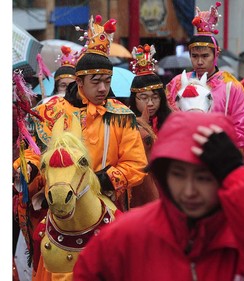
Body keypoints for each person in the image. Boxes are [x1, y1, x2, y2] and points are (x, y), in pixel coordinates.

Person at [73, 111, 244, 281]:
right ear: (163, 175)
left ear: (223, 176)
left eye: (204, 177)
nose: (189, 190)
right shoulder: (127, 235)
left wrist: (239, 176)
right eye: (178, 175)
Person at [13, 15, 148, 213]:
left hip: (104, 201)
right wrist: (27, 168)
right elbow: (35, 153)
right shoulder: (50, 111)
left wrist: (101, 179)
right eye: (96, 81)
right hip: (57, 199)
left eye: (107, 81)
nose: (103, 88)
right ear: (79, 81)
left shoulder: (122, 115)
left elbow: (136, 163)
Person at [166, 2, 244, 166]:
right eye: (194, 56)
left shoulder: (231, 86)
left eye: (205, 56)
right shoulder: (176, 84)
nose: (199, 62)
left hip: (220, 158)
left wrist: (217, 144)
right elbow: (166, 120)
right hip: (183, 156)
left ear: (216, 55)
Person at [127, 44, 173, 207]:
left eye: (155, 97)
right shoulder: (125, 122)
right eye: (144, 98)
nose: (151, 103)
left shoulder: (173, 121)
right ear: (134, 99)